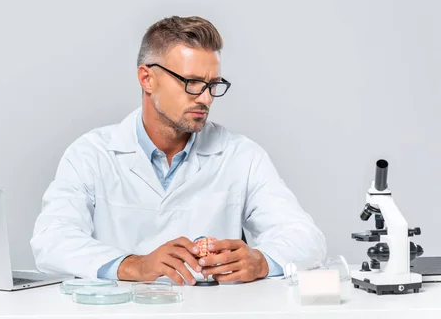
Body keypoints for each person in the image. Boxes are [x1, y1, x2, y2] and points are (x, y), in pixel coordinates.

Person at [30, 16, 326, 285]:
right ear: (147, 79)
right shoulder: (91, 154)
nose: (206, 98)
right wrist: (135, 265)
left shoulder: (241, 157)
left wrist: (261, 261)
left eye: (213, 84)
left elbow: (307, 239)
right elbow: (51, 241)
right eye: (192, 83)